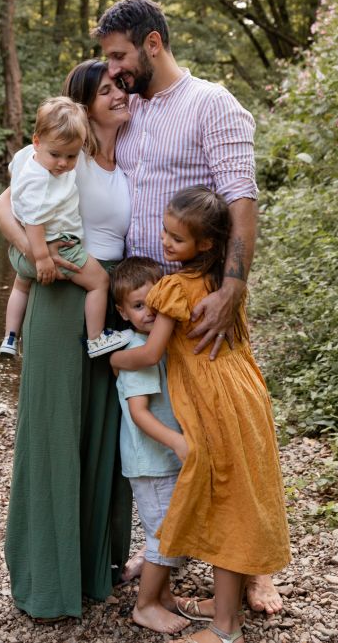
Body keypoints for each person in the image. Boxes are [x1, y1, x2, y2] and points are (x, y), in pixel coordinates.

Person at [94, 0, 283, 614]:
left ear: (152, 43)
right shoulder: (131, 111)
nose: (113, 70)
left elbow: (241, 202)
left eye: (119, 56)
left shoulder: (212, 104)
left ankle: (256, 570)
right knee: (169, 433)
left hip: (203, 299)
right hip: (145, 303)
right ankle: (165, 548)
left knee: (235, 434)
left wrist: (233, 289)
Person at [110, 187, 291, 643]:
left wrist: (112, 359)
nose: (165, 243)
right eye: (166, 232)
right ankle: (223, 603)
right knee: (235, 499)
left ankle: (225, 627)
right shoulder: (224, 284)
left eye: (176, 238)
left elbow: (151, 353)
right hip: (246, 395)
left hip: (215, 408)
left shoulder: (173, 289)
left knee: (225, 504)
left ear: (206, 244)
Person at [0, 59, 134, 621]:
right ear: (85, 102)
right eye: (108, 90)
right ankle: (47, 581)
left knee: (101, 433)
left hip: (112, 304)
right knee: (55, 434)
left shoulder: (129, 158)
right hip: (62, 296)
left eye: (123, 86)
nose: (122, 94)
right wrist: (38, 257)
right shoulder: (59, 160)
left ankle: (94, 569)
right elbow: (2, 207)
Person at [111, 256, 216, 635]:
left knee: (169, 530)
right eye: (138, 306)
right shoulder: (136, 351)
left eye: (154, 303)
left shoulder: (159, 342)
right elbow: (139, 413)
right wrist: (177, 441)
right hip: (151, 461)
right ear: (122, 312)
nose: (149, 312)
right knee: (164, 537)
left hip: (165, 458)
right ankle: (144, 606)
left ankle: (165, 597)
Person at [0, 96, 131, 360]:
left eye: (71, 156)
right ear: (37, 142)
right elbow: (34, 220)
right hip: (55, 249)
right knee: (99, 282)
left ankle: (10, 337)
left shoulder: (28, 160)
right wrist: (42, 258)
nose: (63, 163)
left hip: (21, 255)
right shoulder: (42, 180)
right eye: (56, 155)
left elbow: (16, 184)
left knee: (20, 287)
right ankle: (96, 339)